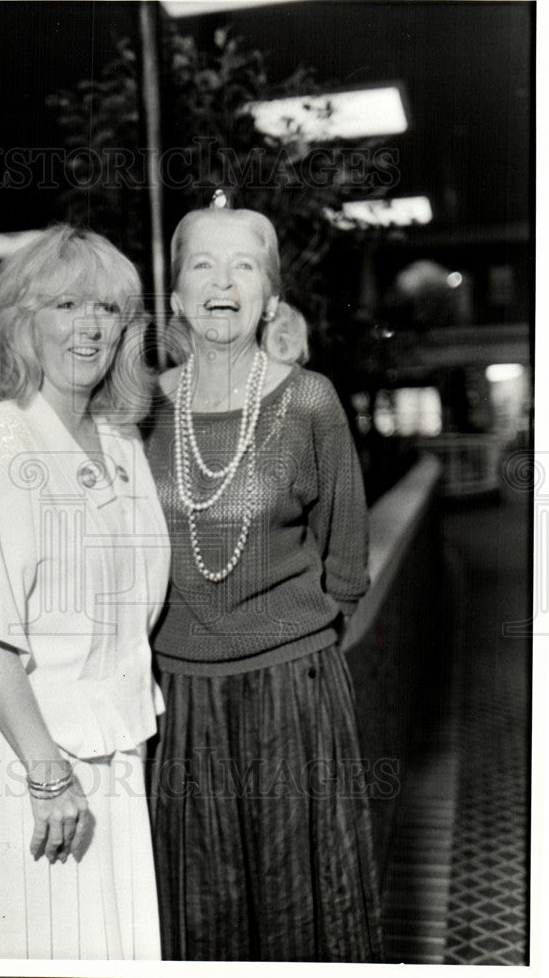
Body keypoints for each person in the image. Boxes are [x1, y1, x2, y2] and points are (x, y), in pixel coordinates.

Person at [145, 205, 384, 962]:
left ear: (271, 296)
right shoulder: (138, 408)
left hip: (294, 692)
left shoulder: (310, 400)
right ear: (176, 296)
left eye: (244, 265)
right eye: (202, 266)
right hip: (178, 701)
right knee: (199, 921)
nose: (223, 281)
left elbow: (346, 563)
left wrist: (290, 645)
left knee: (305, 916)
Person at [0, 224, 171, 959]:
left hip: (110, 751)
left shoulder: (123, 442)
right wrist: (47, 775)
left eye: (109, 309)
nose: (91, 326)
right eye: (66, 305)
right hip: (28, 763)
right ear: (20, 324)